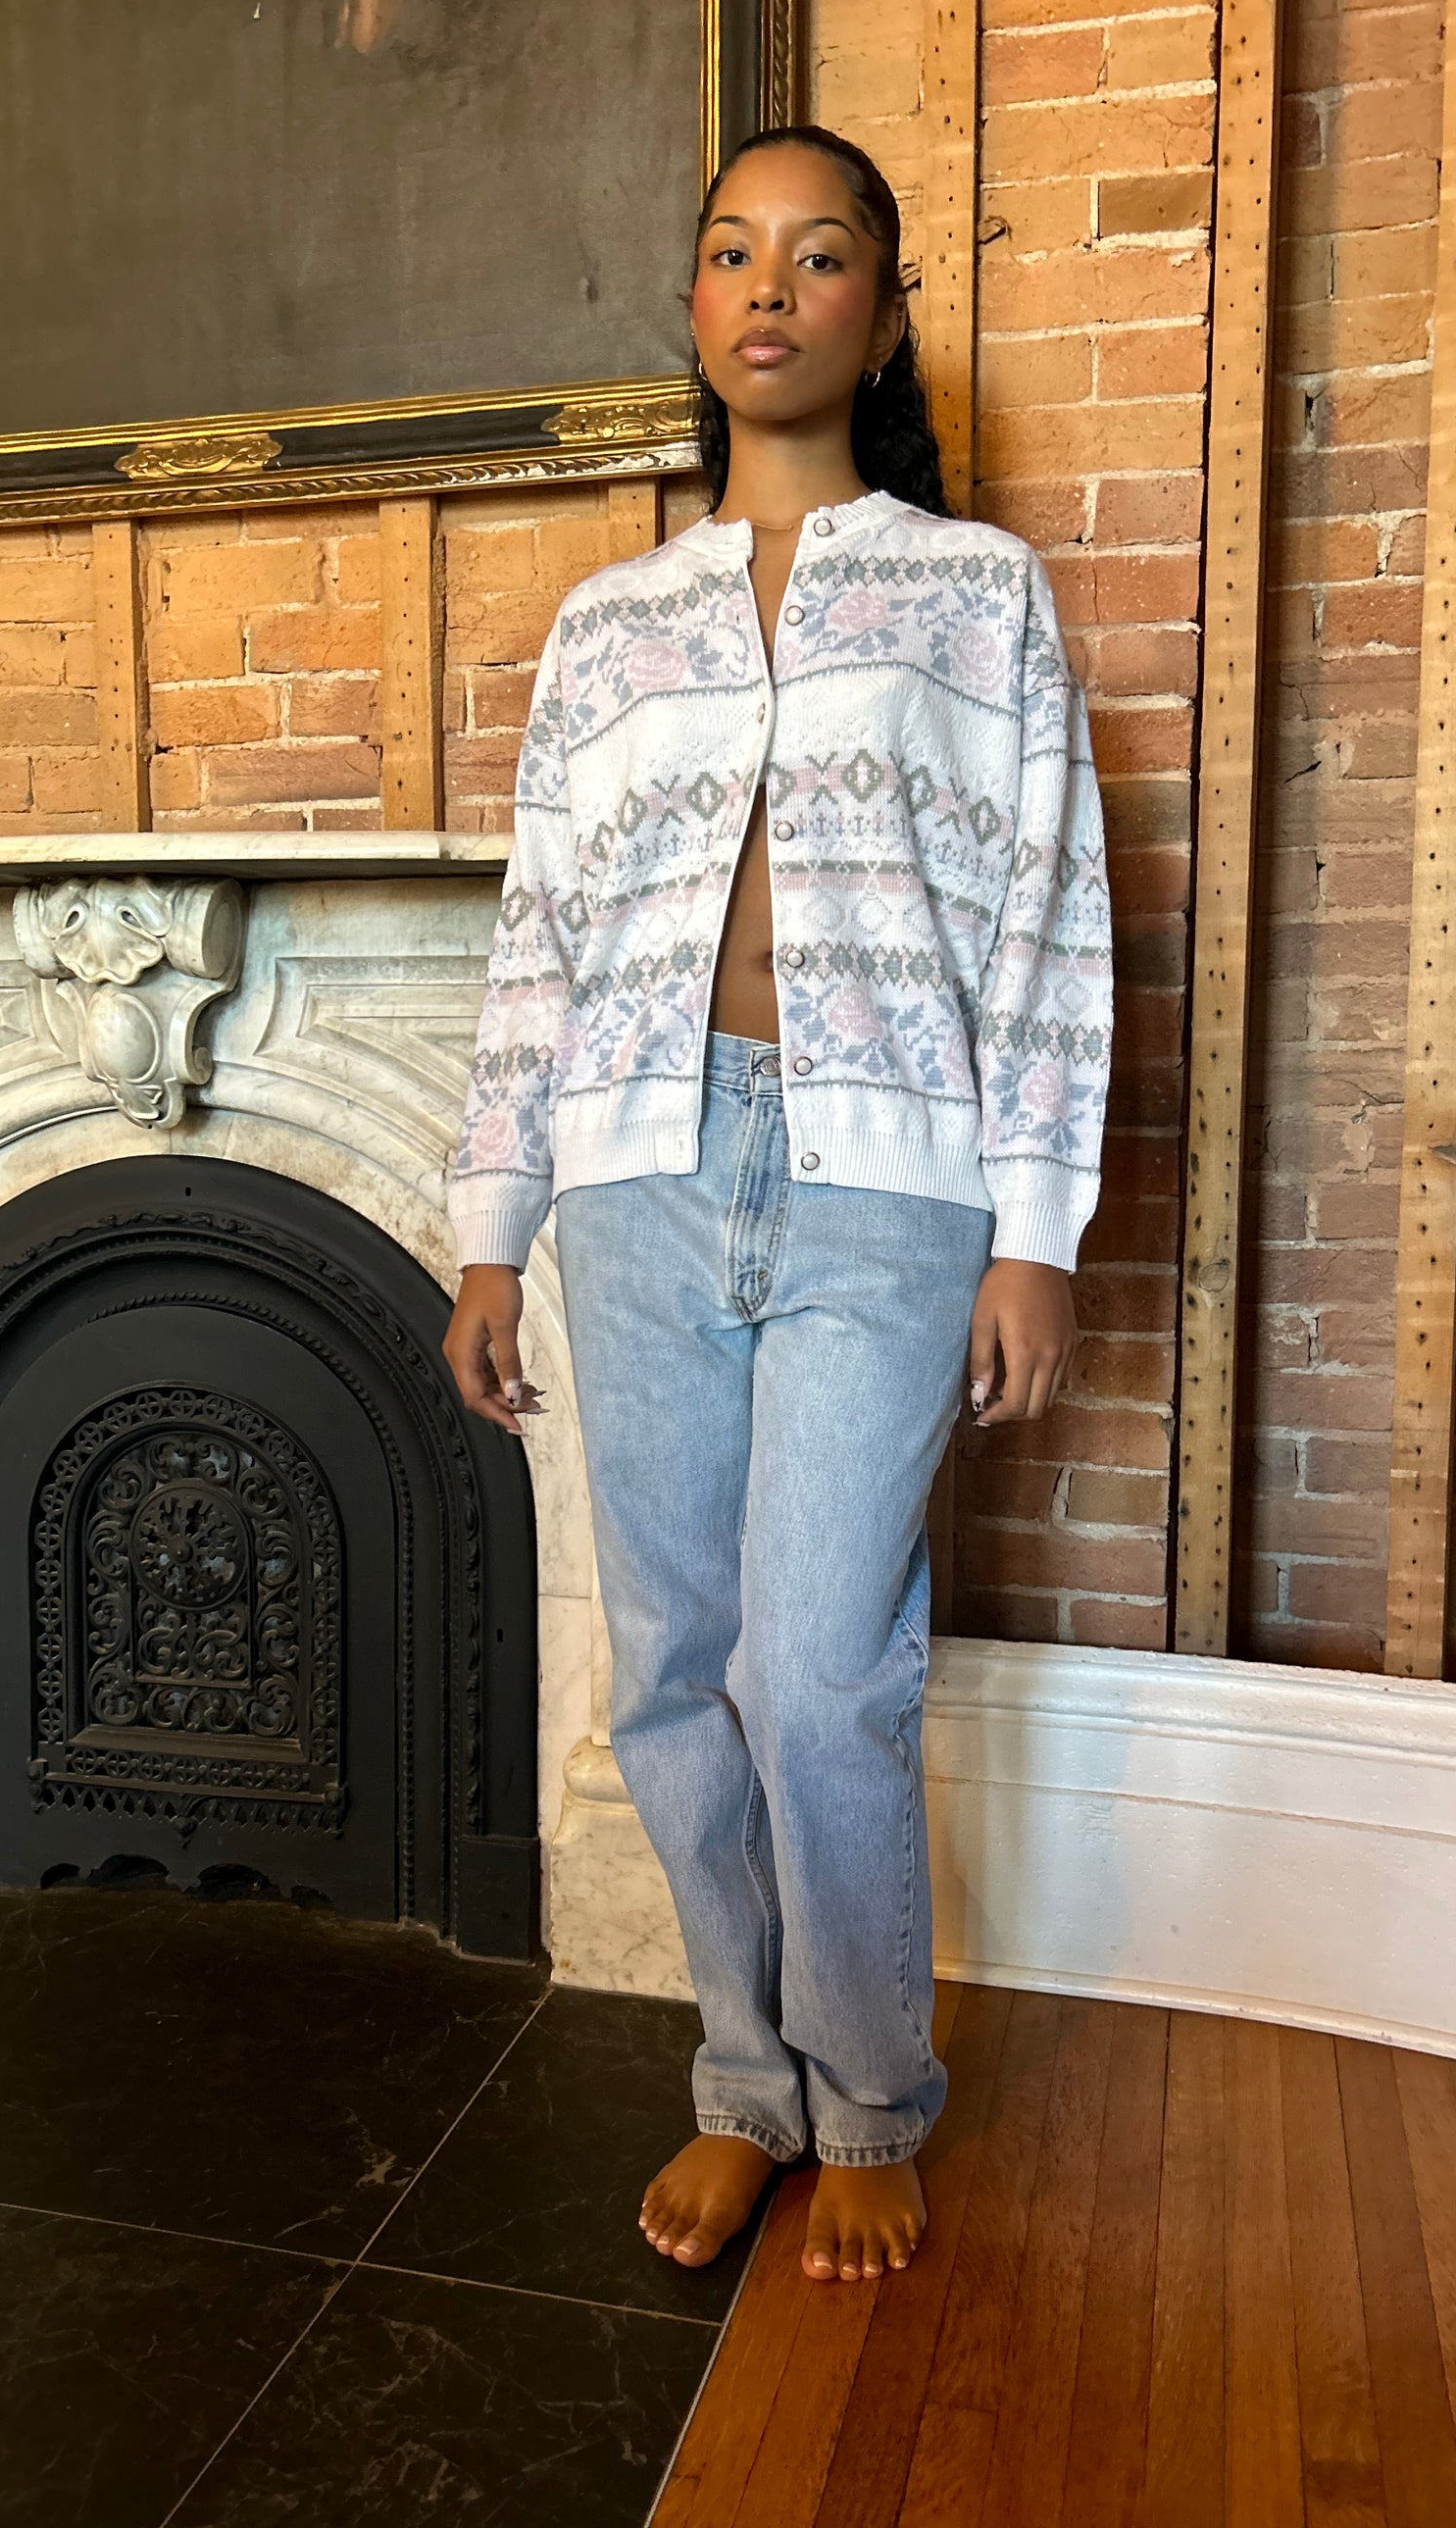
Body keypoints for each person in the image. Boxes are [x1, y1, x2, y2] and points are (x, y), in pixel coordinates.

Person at [442, 125, 1112, 2287]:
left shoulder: (974, 597)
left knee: (821, 1672)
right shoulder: (608, 625)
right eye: (733, 250)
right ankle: (746, 2080)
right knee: (672, 1668)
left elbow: (1047, 924)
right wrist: (491, 1219)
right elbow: (539, 940)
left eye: (821, 257)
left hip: (884, 1180)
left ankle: (870, 2093)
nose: (770, 286)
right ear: (696, 302)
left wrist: (1034, 1231)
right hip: (638, 1173)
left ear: (882, 317)